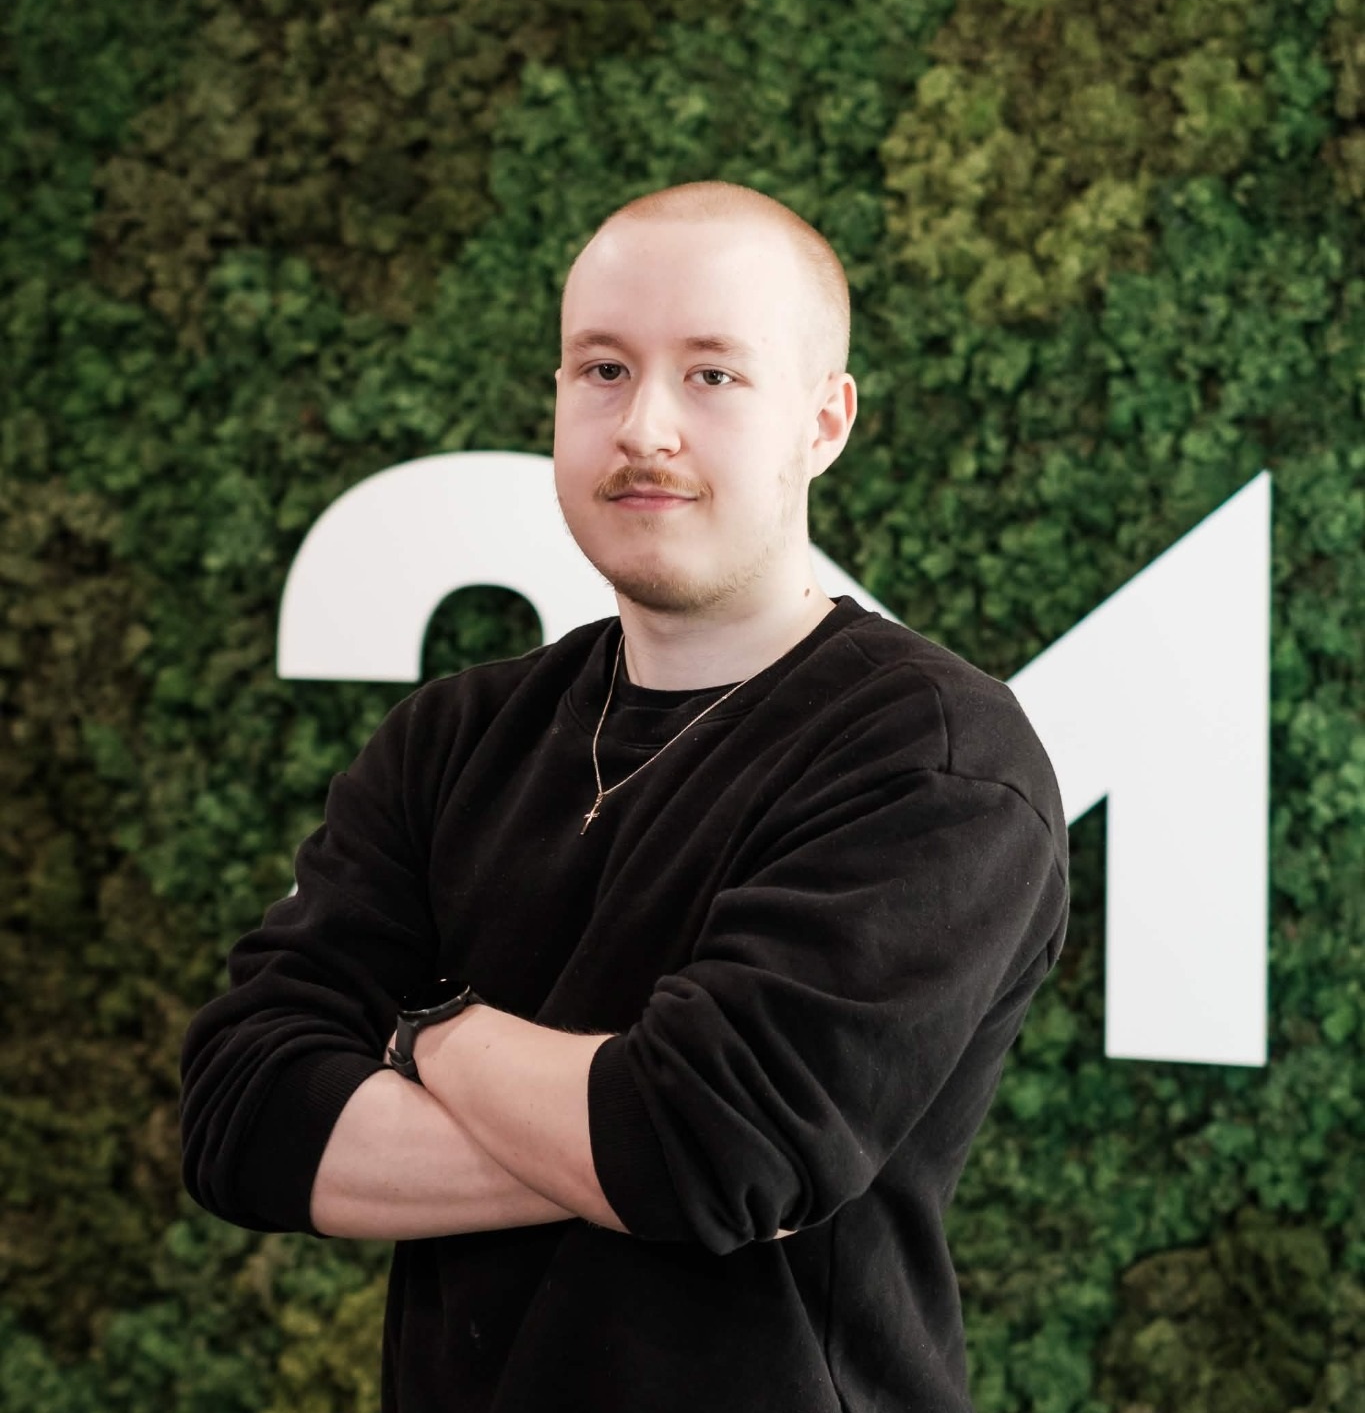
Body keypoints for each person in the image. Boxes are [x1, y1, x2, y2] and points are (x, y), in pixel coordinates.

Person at [180, 181, 1069, 1412]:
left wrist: (422, 1026)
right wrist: (637, 1133)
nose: (645, 425)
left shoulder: (928, 755)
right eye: (602, 368)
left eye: (714, 376)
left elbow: (716, 1149)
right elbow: (241, 1116)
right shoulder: (452, 737)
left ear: (825, 420)